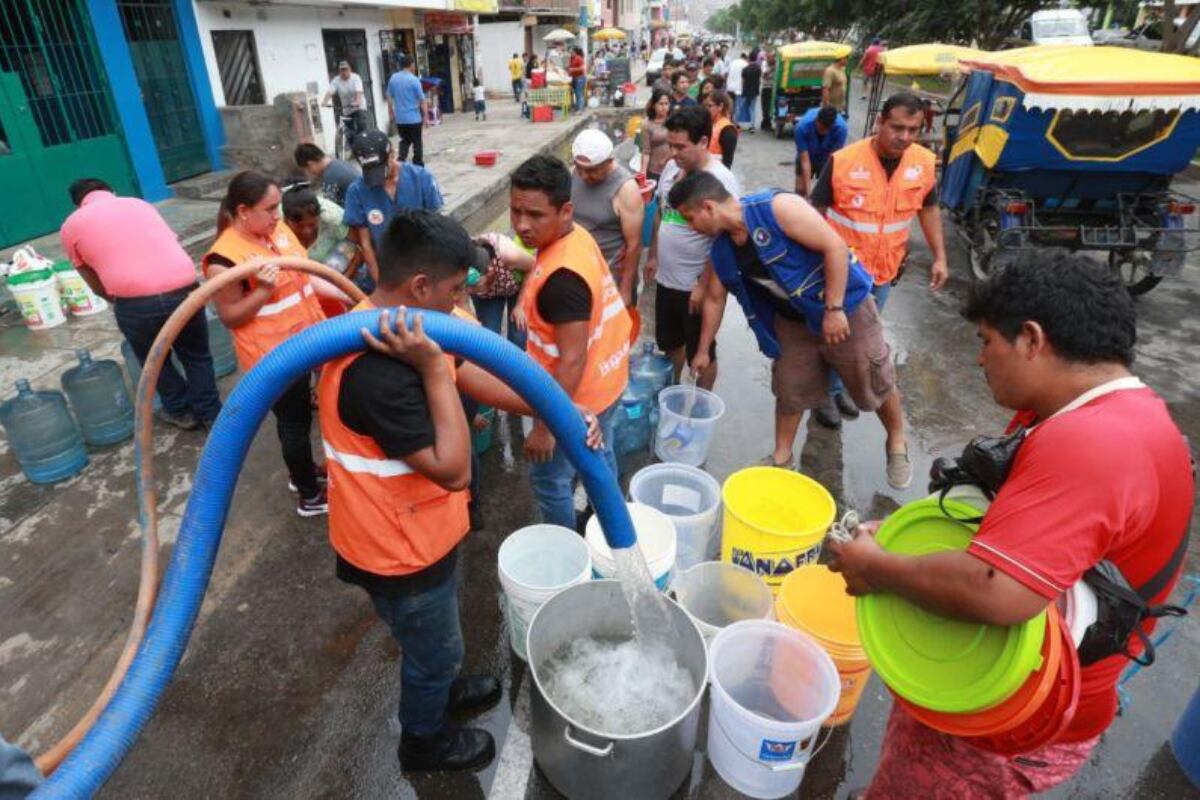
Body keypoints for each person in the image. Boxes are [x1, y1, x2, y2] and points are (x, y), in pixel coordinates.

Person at [828, 252, 1193, 797]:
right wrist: (904, 538)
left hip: (1018, 709)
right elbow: (1021, 524)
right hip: (1018, 675)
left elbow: (999, 593)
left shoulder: (1093, 443)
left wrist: (877, 569)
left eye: (985, 341)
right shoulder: (1106, 411)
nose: (978, 360)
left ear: (1031, 338)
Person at [319, 209, 603, 773]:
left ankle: (441, 687)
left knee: (437, 638)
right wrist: (429, 368)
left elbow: (468, 373)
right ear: (420, 285)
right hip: (395, 552)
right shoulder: (378, 371)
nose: (459, 303)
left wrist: (558, 406)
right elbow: (453, 468)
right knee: (435, 648)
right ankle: (423, 743)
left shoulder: (405, 323)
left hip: (421, 530)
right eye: (454, 290)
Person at [669, 171, 913, 488]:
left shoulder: (776, 208)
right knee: (790, 388)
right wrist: (702, 350)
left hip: (844, 308)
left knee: (873, 378)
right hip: (792, 321)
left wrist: (835, 309)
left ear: (708, 207)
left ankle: (896, 441)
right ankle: (782, 457)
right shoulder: (721, 251)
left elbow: (835, 247)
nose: (691, 227)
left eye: (690, 218)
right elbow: (715, 298)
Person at [203, 171, 351, 516]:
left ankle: (301, 475)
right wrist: (263, 291)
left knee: (309, 415)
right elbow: (231, 317)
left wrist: (349, 295)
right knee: (294, 423)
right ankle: (310, 496)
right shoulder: (224, 259)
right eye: (270, 209)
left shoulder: (275, 230)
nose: (277, 216)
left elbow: (307, 277)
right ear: (243, 211)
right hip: (275, 356)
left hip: (308, 338)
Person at [509, 155, 633, 529]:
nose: (521, 225)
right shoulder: (577, 236)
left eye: (534, 215)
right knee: (601, 453)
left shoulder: (563, 281)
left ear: (565, 210)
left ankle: (567, 548)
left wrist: (547, 429)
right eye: (514, 211)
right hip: (609, 379)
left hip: (579, 399)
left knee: (550, 479)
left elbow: (572, 360)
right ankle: (608, 515)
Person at [812, 91, 948, 430]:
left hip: (884, 272)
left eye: (913, 130)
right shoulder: (843, 161)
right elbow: (814, 213)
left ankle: (838, 388)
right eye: (896, 127)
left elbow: (929, 210)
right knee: (834, 335)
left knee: (863, 338)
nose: (903, 137)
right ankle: (824, 395)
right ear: (879, 123)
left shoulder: (924, 164)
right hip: (842, 274)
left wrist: (940, 257)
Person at [60, 178, 221, 430]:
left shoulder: (71, 225)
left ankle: (181, 411)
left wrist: (120, 300)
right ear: (112, 191)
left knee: (155, 360)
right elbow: (168, 245)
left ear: (78, 204)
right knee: (196, 356)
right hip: (185, 291)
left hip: (135, 302)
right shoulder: (140, 204)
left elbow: (91, 278)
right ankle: (211, 414)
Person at [646, 106, 741, 391]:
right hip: (666, 278)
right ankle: (675, 390)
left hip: (695, 286)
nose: (674, 153)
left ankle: (701, 398)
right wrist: (652, 255)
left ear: (702, 142)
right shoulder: (672, 168)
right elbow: (661, 212)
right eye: (671, 145)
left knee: (702, 351)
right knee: (670, 342)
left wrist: (703, 283)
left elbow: (724, 239)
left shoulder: (721, 180)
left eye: (681, 146)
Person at [343, 129, 443, 295]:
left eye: (382, 168)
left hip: (422, 266)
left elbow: (437, 230)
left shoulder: (421, 178)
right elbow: (366, 245)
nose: (378, 179)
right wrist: (383, 288)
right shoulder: (357, 191)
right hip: (384, 271)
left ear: (392, 154)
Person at [569, 129, 645, 307]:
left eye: (592, 171)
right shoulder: (574, 174)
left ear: (609, 161)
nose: (585, 176)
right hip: (579, 271)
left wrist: (625, 290)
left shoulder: (626, 188)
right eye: (580, 169)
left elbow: (634, 245)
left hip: (610, 276)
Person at [794, 105, 847, 198]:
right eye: (821, 128)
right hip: (807, 155)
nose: (824, 132)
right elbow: (805, 161)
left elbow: (833, 160)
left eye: (827, 129)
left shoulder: (841, 129)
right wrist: (808, 192)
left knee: (822, 196)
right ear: (816, 120)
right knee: (800, 191)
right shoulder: (801, 127)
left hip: (826, 158)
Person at [386, 55, 428, 166]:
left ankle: (401, 160)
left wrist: (390, 112)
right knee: (417, 142)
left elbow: (389, 97)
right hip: (414, 118)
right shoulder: (414, 80)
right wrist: (425, 116)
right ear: (411, 65)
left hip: (400, 118)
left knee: (405, 140)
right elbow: (422, 100)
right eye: (414, 64)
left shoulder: (393, 78)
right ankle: (418, 163)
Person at [293, 142, 359, 206]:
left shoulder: (330, 176)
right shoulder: (338, 164)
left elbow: (331, 208)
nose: (310, 173)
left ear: (311, 164)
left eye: (307, 170)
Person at [323, 60, 369, 138]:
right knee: (349, 133)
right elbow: (330, 91)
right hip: (347, 109)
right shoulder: (336, 80)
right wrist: (325, 101)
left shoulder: (356, 78)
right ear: (339, 71)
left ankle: (364, 141)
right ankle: (353, 147)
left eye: (345, 69)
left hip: (359, 107)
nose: (344, 72)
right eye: (342, 70)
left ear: (350, 69)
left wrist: (357, 102)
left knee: (361, 125)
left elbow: (359, 91)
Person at [640, 88, 673, 183]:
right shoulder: (647, 124)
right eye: (661, 104)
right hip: (655, 169)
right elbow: (646, 151)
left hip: (672, 168)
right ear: (654, 105)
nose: (664, 107)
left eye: (666, 104)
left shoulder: (674, 120)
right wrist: (643, 172)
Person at [703, 89, 738, 170]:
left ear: (720, 106)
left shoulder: (728, 129)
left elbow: (727, 162)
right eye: (705, 106)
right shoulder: (709, 123)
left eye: (710, 106)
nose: (706, 109)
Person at [738, 49, 761, 131]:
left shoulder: (745, 69)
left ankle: (737, 124)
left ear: (749, 58)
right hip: (755, 91)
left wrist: (742, 89)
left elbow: (742, 82)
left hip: (746, 91)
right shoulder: (758, 69)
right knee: (752, 108)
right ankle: (752, 126)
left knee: (740, 107)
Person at [725, 51, 748, 125]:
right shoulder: (745, 64)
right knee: (738, 106)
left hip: (730, 87)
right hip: (739, 88)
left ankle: (728, 119)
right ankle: (734, 121)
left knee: (730, 104)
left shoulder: (733, 62)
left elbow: (726, 73)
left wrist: (726, 84)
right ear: (746, 57)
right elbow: (745, 77)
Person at [760, 51, 775, 132]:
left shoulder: (776, 64)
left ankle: (767, 122)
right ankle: (765, 122)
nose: (770, 59)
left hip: (772, 87)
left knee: (769, 106)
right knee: (764, 106)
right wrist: (772, 69)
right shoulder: (764, 64)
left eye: (771, 57)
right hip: (765, 87)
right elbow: (764, 75)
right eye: (768, 57)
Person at [568, 46, 586, 111]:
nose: (570, 53)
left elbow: (582, 68)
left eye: (571, 51)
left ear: (575, 52)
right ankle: (579, 107)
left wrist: (573, 69)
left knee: (579, 93)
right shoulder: (571, 58)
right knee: (576, 93)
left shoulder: (578, 58)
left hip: (580, 77)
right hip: (574, 77)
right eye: (570, 51)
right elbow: (570, 66)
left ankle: (580, 109)